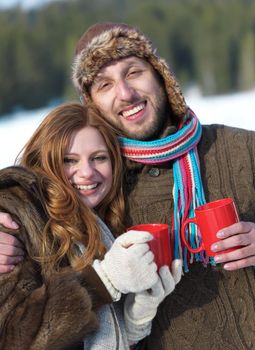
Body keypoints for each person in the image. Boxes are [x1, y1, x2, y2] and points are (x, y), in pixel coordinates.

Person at [1, 21, 255, 348]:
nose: (125, 93)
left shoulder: (246, 150)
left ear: (160, 75)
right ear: (92, 104)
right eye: (104, 84)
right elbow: (30, 194)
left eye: (134, 72)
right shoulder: (95, 191)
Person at [0, 102, 181, 350]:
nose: (86, 172)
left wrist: (133, 323)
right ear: (45, 161)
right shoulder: (16, 216)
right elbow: (14, 339)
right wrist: (104, 281)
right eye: (69, 160)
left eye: (99, 158)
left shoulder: (100, 221)